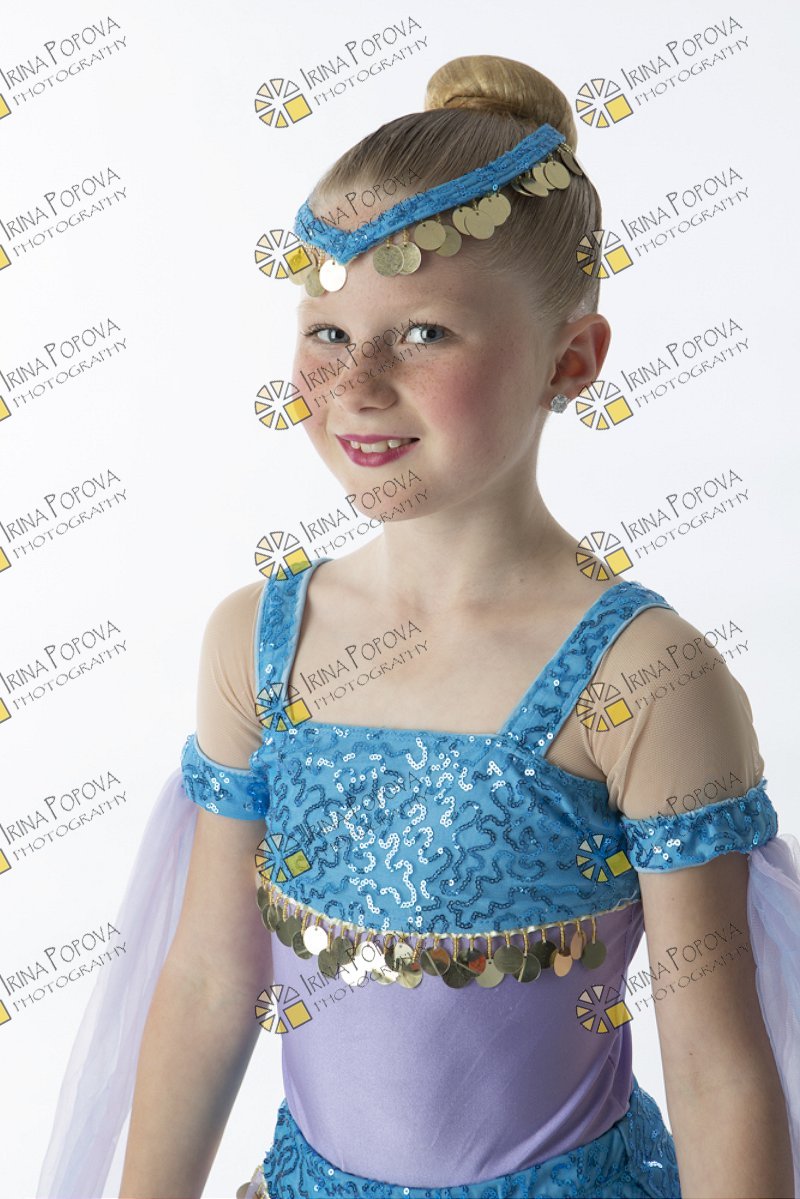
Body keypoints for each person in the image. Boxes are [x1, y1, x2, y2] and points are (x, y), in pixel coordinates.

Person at [37, 54, 800, 1199]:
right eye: (327, 333)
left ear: (570, 360)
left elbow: (715, 1066)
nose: (355, 383)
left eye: (425, 332)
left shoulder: (642, 676)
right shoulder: (258, 643)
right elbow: (206, 980)